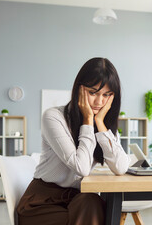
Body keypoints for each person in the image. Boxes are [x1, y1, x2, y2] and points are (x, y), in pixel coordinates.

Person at [17, 57, 129, 225]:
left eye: (106, 95)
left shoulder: (104, 125)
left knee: (92, 202)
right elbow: (82, 168)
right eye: (93, 93)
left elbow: (120, 167)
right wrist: (88, 121)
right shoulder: (54, 117)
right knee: (95, 215)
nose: (99, 102)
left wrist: (99, 124)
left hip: (78, 201)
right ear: (79, 90)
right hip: (42, 203)